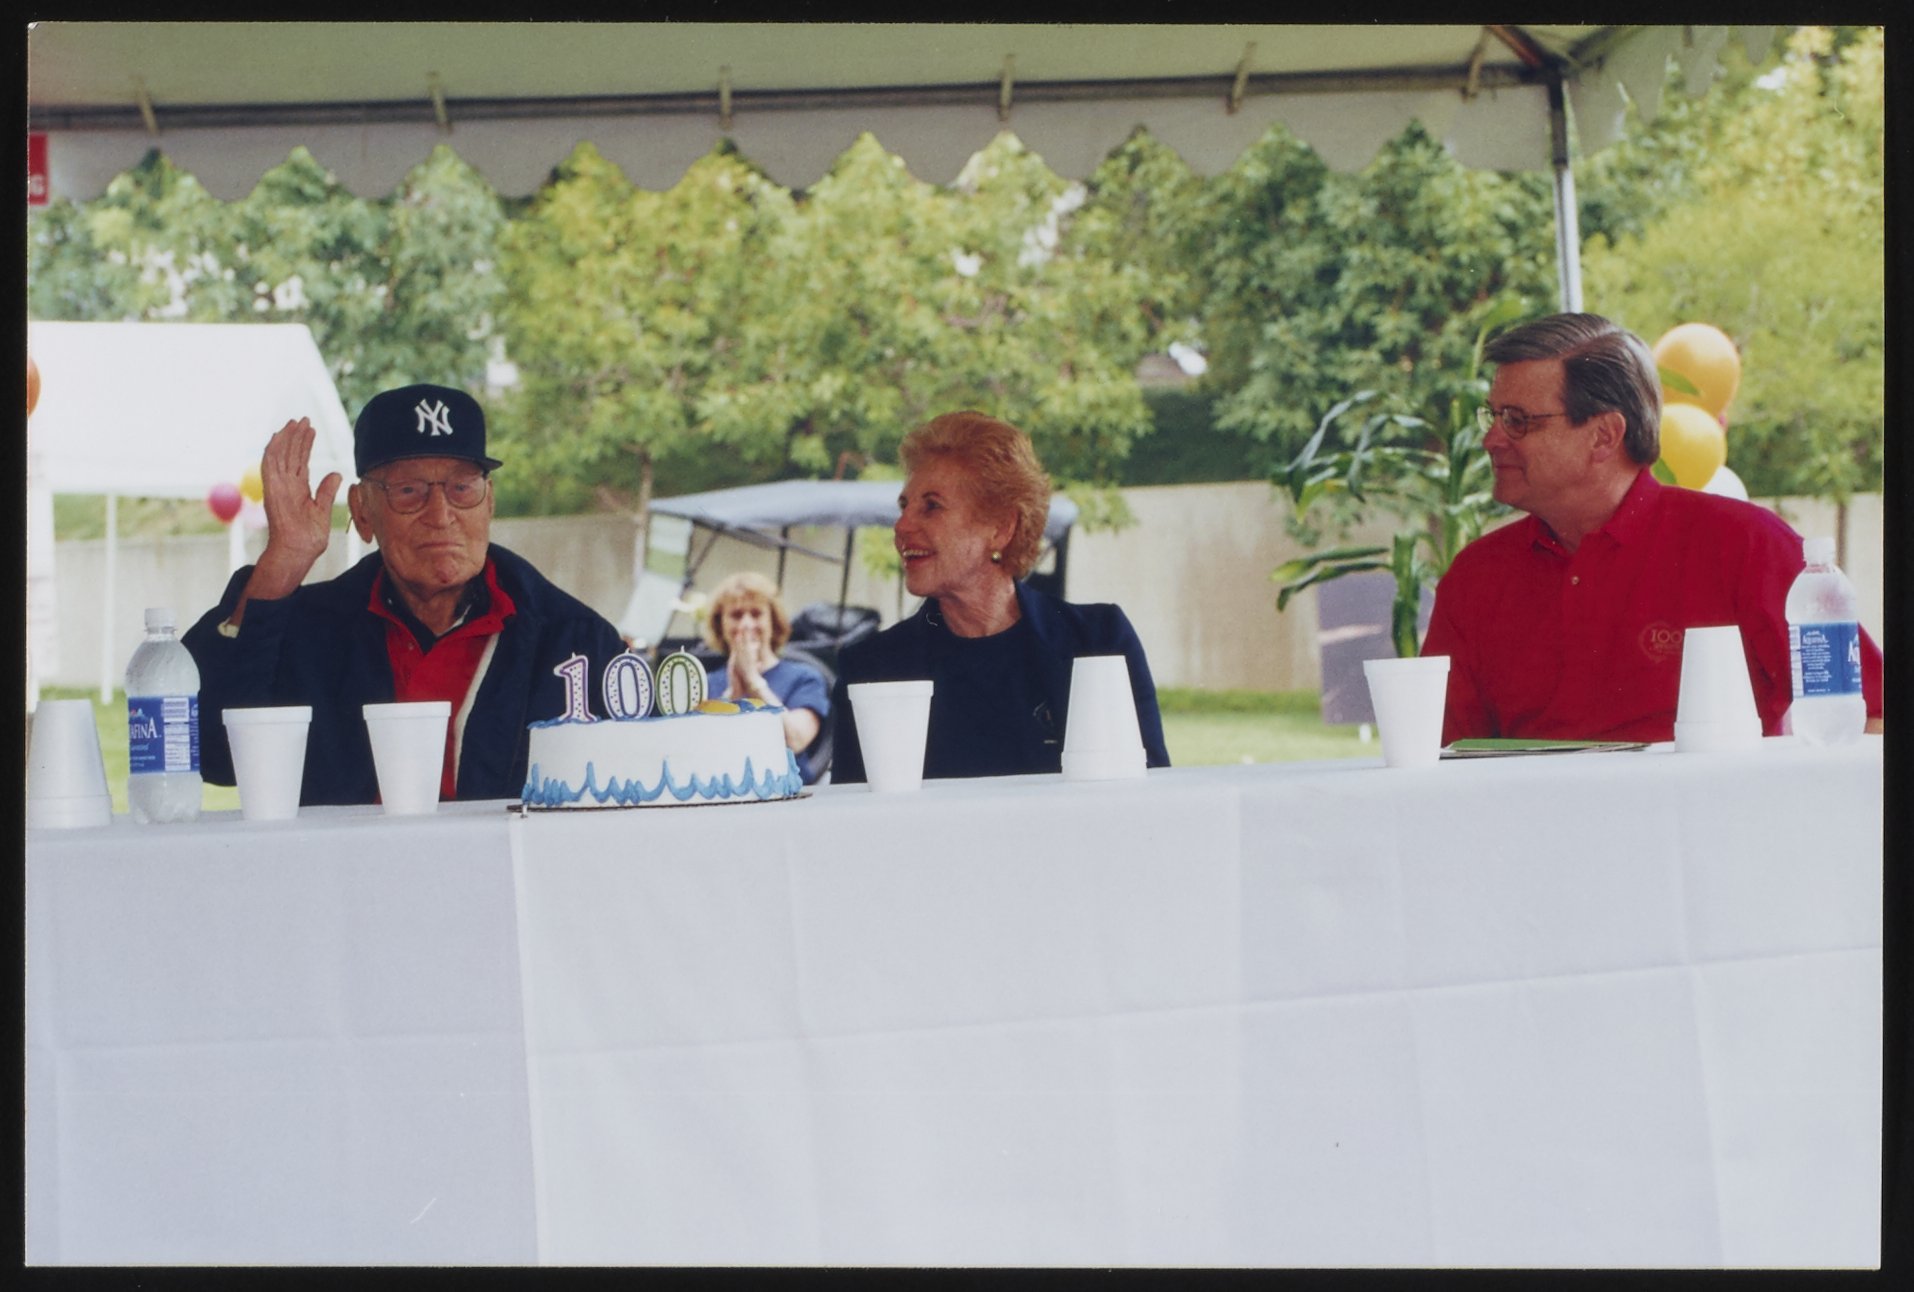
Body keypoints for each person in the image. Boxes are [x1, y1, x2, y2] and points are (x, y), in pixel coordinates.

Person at [1420, 312, 1883, 744]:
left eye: (1518, 421)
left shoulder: (1743, 543)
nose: (1491, 439)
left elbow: (1875, 716)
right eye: (1494, 416)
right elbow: (1440, 759)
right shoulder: (1475, 577)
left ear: (1604, 435)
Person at [183, 383, 627, 805]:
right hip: (343, 862)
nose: (440, 514)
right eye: (408, 491)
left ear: (489, 501)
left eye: (462, 488)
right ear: (362, 511)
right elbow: (212, 754)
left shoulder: (574, 643)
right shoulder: (310, 632)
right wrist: (284, 561)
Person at [830, 410, 1170, 782]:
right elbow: (854, 814)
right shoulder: (871, 669)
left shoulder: (1099, 641)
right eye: (904, 506)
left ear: (1001, 529)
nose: (902, 525)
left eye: (931, 506)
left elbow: (1150, 791)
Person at [701, 571, 831, 783]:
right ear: (721, 624)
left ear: (773, 621)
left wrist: (754, 682)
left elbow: (796, 740)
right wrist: (733, 696)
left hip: (790, 794)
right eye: (736, 615)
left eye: (756, 614)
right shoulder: (706, 685)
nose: (746, 624)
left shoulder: (805, 678)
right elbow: (703, 751)